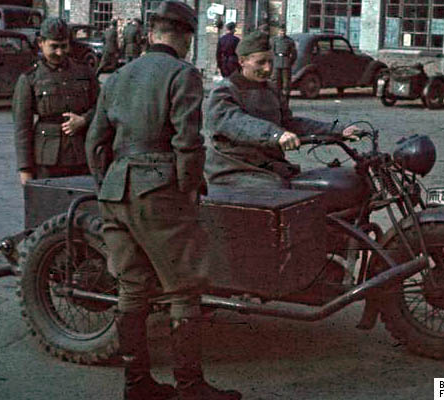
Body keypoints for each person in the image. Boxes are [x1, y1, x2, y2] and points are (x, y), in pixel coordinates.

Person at [85, 2, 241, 400]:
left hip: (115, 190)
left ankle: (136, 384)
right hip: (158, 191)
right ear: (185, 37)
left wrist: (109, 181)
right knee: (184, 289)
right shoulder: (182, 74)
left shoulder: (117, 76)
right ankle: (191, 388)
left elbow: (94, 142)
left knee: (132, 288)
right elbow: (187, 141)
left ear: (152, 33)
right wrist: (188, 187)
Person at [205, 31, 358, 188]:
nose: (267, 68)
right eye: (261, 62)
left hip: (268, 165)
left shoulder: (271, 89)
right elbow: (235, 122)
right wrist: (276, 134)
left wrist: (338, 130)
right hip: (233, 168)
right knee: (282, 193)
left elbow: (289, 123)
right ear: (242, 61)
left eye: (271, 62)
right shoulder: (225, 90)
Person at [12, 17, 99, 185]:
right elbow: (22, 128)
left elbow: (102, 106)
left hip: (81, 157)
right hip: (46, 161)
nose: (60, 52)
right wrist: (25, 170)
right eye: (54, 46)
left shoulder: (84, 71)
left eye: (64, 46)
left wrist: (84, 120)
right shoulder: (30, 78)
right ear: (41, 43)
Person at [271, 23, 297, 105]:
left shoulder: (289, 41)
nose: (282, 33)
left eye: (284, 31)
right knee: (275, 82)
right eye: (281, 31)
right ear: (278, 31)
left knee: (286, 84)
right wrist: (273, 62)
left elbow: (294, 54)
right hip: (276, 62)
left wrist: (289, 62)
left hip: (286, 64)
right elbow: (271, 52)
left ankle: (285, 102)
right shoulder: (273, 40)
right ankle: (276, 101)